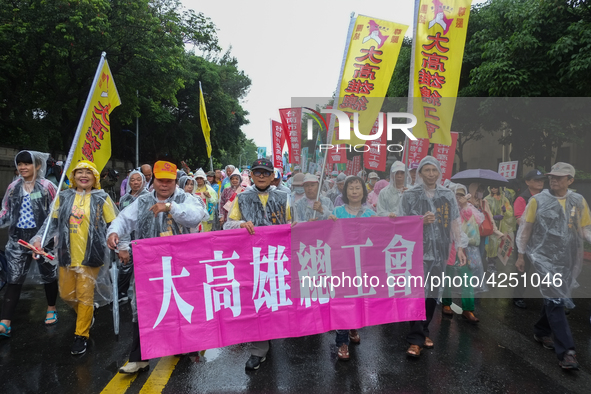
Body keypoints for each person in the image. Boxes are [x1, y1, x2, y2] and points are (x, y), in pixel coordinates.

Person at [107, 160, 207, 374]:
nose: (164, 185)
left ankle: (187, 346)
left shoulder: (187, 199)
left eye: (169, 181)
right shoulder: (142, 201)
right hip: (149, 264)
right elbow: (123, 220)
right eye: (160, 180)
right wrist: (114, 233)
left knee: (183, 304)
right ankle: (139, 357)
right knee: (142, 307)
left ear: (175, 181)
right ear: (153, 179)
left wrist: (170, 207)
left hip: (181, 265)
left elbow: (195, 217)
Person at [32, 160, 118, 355]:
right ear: (73, 177)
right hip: (66, 254)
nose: (83, 175)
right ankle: (86, 316)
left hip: (91, 254)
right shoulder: (64, 197)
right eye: (79, 172)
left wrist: (119, 243)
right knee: (66, 294)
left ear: (95, 177)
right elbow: (51, 223)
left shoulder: (101, 198)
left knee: (85, 296)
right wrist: (38, 239)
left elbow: (114, 224)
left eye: (88, 172)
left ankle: (81, 335)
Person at [516, 162, 591, 370]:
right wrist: (521, 255)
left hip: (567, 259)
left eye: (559, 177)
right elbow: (525, 229)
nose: (553, 179)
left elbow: (584, 229)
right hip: (543, 259)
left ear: (570, 180)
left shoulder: (578, 201)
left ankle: (541, 331)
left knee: (554, 299)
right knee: (556, 300)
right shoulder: (537, 201)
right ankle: (567, 351)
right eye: (552, 176)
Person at [397, 156, 467, 358]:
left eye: (433, 170)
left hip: (440, 251)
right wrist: (419, 221)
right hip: (416, 250)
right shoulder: (410, 195)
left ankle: (423, 330)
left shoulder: (447, 195)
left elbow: (455, 221)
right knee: (418, 292)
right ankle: (415, 338)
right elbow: (401, 222)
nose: (430, 174)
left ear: (439, 172)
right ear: (420, 173)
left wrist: (460, 247)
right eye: (426, 170)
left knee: (432, 293)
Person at [224, 158, 290, 370]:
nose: (261, 176)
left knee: (277, 299)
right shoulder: (241, 198)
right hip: (250, 259)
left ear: (273, 176)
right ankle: (259, 349)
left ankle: (275, 334)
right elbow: (227, 225)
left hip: (278, 257)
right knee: (258, 300)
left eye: (266, 172)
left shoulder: (285, 196)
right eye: (257, 172)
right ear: (250, 175)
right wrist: (241, 224)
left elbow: (293, 222)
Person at [0, 151, 59, 338]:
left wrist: (42, 238)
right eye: (20, 164)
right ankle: (5, 322)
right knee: (14, 278)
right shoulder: (13, 187)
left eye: (27, 163)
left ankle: (51, 307)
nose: (23, 167)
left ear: (38, 166)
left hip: (43, 240)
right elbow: (6, 211)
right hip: (18, 239)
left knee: (49, 275)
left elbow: (54, 215)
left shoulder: (47, 187)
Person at [328, 175, 383, 361]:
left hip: (363, 266)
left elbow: (381, 235)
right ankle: (342, 341)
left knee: (358, 299)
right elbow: (327, 235)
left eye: (357, 187)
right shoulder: (336, 212)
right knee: (343, 301)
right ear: (345, 192)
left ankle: (353, 326)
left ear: (363, 191)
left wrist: (390, 220)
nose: (354, 191)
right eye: (350, 188)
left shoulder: (370, 214)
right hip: (341, 265)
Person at [442, 183, 486, 323]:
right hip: (449, 249)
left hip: (466, 250)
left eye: (461, 195)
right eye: (456, 195)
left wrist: (466, 206)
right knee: (447, 277)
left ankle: (468, 309)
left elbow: (478, 221)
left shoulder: (469, 208)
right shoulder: (445, 208)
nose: (459, 198)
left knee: (466, 279)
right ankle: (446, 303)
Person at [512, 169, 546, 308]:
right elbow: (519, 220)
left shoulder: (546, 197)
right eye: (536, 180)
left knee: (544, 269)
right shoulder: (522, 198)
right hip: (525, 240)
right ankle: (517, 296)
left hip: (541, 241)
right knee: (522, 269)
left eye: (541, 180)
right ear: (527, 182)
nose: (540, 182)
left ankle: (549, 299)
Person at [117, 170, 149, 302]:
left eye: (138, 179)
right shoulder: (124, 199)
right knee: (126, 265)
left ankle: (144, 292)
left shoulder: (149, 197)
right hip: (127, 237)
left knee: (144, 265)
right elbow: (121, 219)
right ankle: (122, 292)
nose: (135, 182)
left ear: (143, 181)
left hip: (144, 236)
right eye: (132, 180)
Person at [468, 182, 504, 273]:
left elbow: (490, 219)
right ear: (473, 191)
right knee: (470, 258)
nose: (480, 192)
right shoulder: (467, 202)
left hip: (482, 235)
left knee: (479, 256)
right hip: (470, 235)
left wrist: (498, 233)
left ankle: (476, 278)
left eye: (482, 190)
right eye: (478, 190)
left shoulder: (484, 203)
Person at [484, 186, 515, 269]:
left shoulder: (504, 199)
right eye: (492, 188)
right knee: (492, 245)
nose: (494, 189)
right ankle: (491, 263)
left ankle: (493, 260)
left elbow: (510, 213)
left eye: (495, 187)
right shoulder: (487, 199)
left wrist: (505, 211)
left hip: (502, 225)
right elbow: (485, 212)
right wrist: (493, 217)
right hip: (491, 225)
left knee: (499, 245)